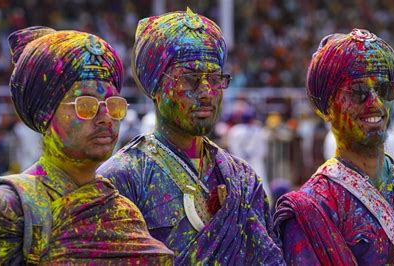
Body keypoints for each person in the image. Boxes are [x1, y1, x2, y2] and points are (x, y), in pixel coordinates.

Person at [98, 8, 284, 264]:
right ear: (156, 87)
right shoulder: (122, 178)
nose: (207, 91)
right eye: (191, 79)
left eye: (215, 78)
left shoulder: (242, 178)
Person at [0, 26, 172, 264]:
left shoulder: (123, 209)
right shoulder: (6, 207)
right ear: (45, 113)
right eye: (85, 104)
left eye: (113, 105)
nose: (106, 117)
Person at [274, 29, 394, 265]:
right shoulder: (311, 209)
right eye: (358, 92)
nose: (375, 103)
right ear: (327, 107)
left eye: (385, 90)